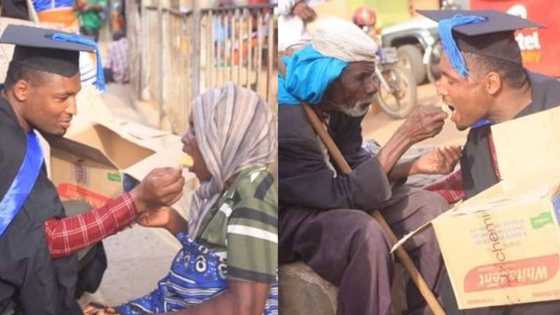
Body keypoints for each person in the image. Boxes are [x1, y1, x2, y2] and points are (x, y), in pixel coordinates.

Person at [278, 17, 460, 315]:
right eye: (361, 78)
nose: (373, 87)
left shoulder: (343, 105)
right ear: (329, 77)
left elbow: (351, 165)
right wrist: (403, 138)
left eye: (373, 75)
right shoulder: (289, 121)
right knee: (364, 233)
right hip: (291, 218)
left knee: (430, 208)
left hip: (335, 197)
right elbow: (334, 195)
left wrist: (412, 167)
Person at [0, 25, 184, 314]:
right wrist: (136, 201)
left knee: (80, 209)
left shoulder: (12, 118)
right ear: (22, 90)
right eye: (62, 98)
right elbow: (50, 241)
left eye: (75, 96)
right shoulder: (8, 148)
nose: (73, 109)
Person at [83, 83, 278, 315]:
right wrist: (170, 220)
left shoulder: (254, 195)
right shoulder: (223, 189)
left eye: (195, 129)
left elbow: (245, 307)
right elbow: (218, 254)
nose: (184, 139)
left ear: (223, 138)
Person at [418, 10, 560, 315]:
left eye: (450, 79)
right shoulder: (479, 142)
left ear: (491, 83)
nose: (439, 89)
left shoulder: (554, 115)